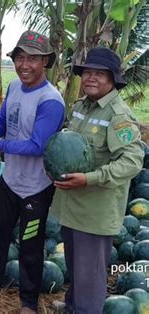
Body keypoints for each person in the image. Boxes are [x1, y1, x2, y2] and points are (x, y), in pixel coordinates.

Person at [0, 30, 65, 314]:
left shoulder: (51, 101)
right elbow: (3, 124)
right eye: (19, 58)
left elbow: (37, 146)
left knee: (30, 243)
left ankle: (29, 302)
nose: (24, 64)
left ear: (45, 61)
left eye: (32, 58)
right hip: (11, 180)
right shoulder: (13, 87)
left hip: (37, 186)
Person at [50, 48, 144, 313]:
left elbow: (132, 161)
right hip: (72, 203)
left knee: (90, 274)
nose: (91, 78)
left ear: (113, 79)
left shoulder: (118, 116)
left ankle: (86, 309)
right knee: (75, 265)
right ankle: (72, 306)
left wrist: (90, 179)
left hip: (95, 210)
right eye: (87, 72)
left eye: (99, 74)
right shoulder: (81, 106)